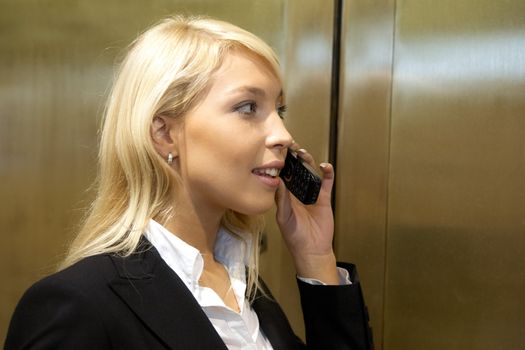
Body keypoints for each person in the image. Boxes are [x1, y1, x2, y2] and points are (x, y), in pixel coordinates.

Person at [5, 15, 373, 350]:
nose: (282, 135)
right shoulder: (78, 305)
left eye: (279, 110)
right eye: (247, 108)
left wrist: (316, 258)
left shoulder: (247, 290)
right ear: (164, 134)